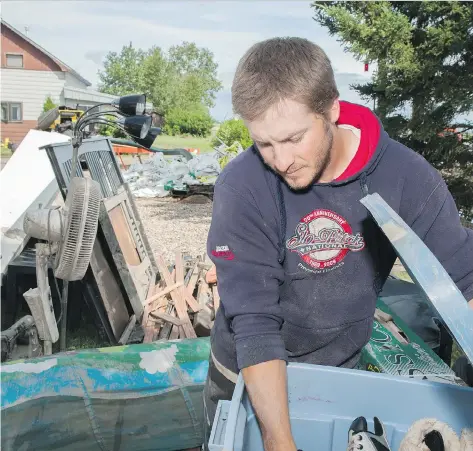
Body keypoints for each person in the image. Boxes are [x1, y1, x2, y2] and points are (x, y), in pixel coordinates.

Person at [203, 37, 473, 451]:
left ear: (331, 108)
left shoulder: (406, 178)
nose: (280, 160)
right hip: (245, 372)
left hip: (337, 370)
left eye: (294, 138)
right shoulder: (243, 187)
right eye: (264, 143)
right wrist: (279, 443)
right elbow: (255, 324)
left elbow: (465, 283)